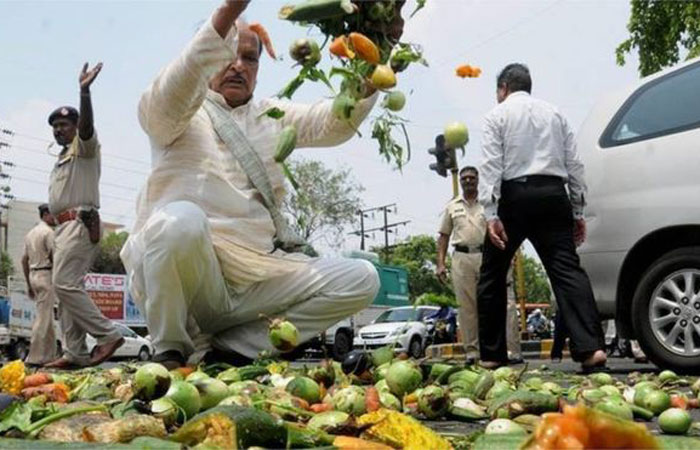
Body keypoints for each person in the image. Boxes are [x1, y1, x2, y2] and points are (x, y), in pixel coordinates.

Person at [120, 0, 405, 369]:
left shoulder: (272, 115)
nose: (239, 66)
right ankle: (170, 351)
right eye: (228, 54)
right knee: (180, 222)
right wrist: (227, 12)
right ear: (207, 56)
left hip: (256, 279)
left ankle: (236, 349)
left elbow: (333, 122)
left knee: (362, 278)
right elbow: (171, 93)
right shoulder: (177, 111)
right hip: (191, 283)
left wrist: (377, 47)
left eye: (250, 59)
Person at [476, 63, 606, 371]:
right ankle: (591, 350)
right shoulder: (555, 114)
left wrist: (490, 213)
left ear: (503, 88)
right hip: (552, 194)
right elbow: (574, 164)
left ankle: (492, 355)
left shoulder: (497, 115)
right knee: (567, 271)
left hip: (513, 197)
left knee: (492, 276)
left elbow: (491, 165)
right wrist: (577, 209)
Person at [44, 63, 124, 369]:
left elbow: (88, 128)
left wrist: (85, 92)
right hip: (63, 228)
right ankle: (75, 352)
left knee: (64, 284)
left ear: (76, 128)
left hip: (80, 223)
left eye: (65, 124)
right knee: (66, 290)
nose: (59, 129)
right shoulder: (63, 158)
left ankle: (107, 334)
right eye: (55, 126)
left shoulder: (85, 148)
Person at [436, 166, 486, 365]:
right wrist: (440, 264)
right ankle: (472, 351)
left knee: (489, 305)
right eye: (464, 178)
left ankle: (491, 349)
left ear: (477, 180)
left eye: (471, 178)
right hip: (461, 258)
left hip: (486, 256)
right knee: (466, 308)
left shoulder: (488, 202)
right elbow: (443, 236)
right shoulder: (452, 206)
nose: (467, 181)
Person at [21, 204, 58, 366]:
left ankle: (50, 356)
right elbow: (55, 256)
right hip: (46, 274)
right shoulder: (48, 232)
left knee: (47, 317)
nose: (55, 218)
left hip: (33, 274)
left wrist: (28, 283)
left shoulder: (30, 234)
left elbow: (24, 259)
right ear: (46, 214)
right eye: (53, 214)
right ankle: (34, 357)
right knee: (43, 318)